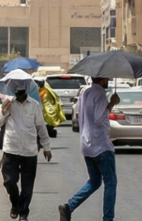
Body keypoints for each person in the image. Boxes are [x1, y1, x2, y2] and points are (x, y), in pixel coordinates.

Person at [58, 77, 120, 221]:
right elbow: (99, 118)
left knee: (94, 181)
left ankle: (69, 206)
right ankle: (108, 218)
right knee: (110, 183)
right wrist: (111, 104)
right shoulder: (100, 94)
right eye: (107, 79)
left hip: (87, 144)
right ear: (103, 79)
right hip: (101, 145)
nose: (109, 81)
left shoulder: (85, 92)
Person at [0, 77, 52, 221]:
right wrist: (3, 110)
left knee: (27, 185)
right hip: (11, 149)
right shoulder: (8, 104)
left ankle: (23, 213)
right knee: (9, 181)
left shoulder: (34, 105)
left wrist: (46, 147)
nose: (19, 95)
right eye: (17, 92)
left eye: (21, 92)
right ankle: (15, 204)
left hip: (29, 150)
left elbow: (41, 127)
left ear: (26, 90)